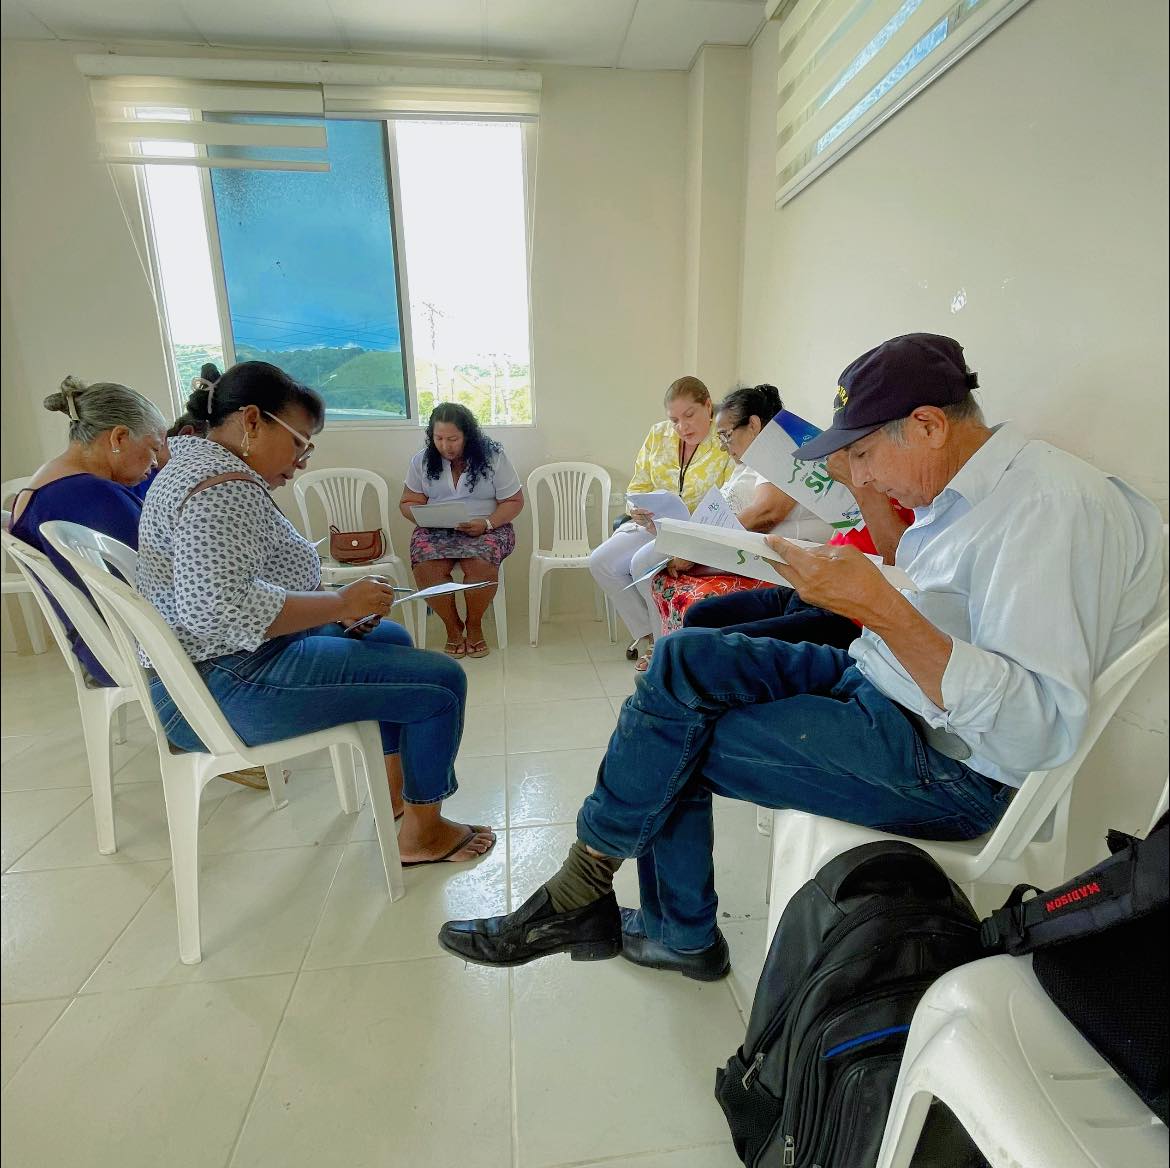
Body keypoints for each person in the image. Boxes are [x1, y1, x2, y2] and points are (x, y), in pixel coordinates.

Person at [437, 332, 1163, 979]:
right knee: (681, 660)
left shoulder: (1047, 511)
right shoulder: (967, 495)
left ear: (928, 424)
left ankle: (627, 915)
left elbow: (1031, 729)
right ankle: (600, 900)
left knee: (671, 740)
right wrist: (862, 597)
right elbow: (940, 612)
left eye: (864, 455)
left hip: (949, 763)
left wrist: (874, 605)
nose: (861, 476)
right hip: (884, 681)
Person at [138, 362, 495, 865]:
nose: (301, 462)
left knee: (389, 639)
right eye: (299, 443)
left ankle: (398, 794)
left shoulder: (196, 463)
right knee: (441, 683)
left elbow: (232, 585)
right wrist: (341, 603)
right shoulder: (219, 485)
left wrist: (337, 605)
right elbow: (216, 611)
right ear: (253, 420)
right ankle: (423, 834)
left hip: (210, 669)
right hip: (219, 688)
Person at [10, 375, 166, 685]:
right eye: (153, 448)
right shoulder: (89, 495)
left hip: (99, 647)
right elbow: (160, 579)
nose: (155, 462)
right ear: (118, 438)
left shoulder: (52, 482)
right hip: (131, 651)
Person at [647, 383, 830, 645]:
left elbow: (766, 512)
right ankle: (669, 653)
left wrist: (697, 547)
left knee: (694, 603)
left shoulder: (781, 453)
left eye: (726, 436)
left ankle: (677, 654)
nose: (724, 447)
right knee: (675, 584)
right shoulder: (750, 463)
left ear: (753, 424)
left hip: (795, 560)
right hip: (765, 552)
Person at [680, 446, 915, 648]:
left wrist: (862, 488)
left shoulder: (909, 484)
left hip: (848, 611)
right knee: (699, 615)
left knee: (704, 646)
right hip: (812, 583)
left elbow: (903, 562)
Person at [588, 376, 735, 668]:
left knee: (641, 564)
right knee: (600, 562)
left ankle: (662, 645)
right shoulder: (658, 435)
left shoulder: (723, 441)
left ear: (708, 405)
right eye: (674, 420)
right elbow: (639, 485)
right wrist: (636, 509)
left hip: (697, 531)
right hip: (654, 525)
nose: (682, 427)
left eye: (689, 415)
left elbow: (730, 499)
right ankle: (648, 635)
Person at [399, 403, 524, 659]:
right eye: (439, 438)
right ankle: (453, 627)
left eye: (453, 439)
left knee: (481, 563)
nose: (446, 446)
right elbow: (408, 501)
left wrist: (487, 523)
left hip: (487, 528)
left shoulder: (493, 457)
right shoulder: (422, 460)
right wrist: (424, 516)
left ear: (468, 435)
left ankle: (474, 625)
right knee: (425, 564)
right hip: (436, 530)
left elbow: (514, 501)